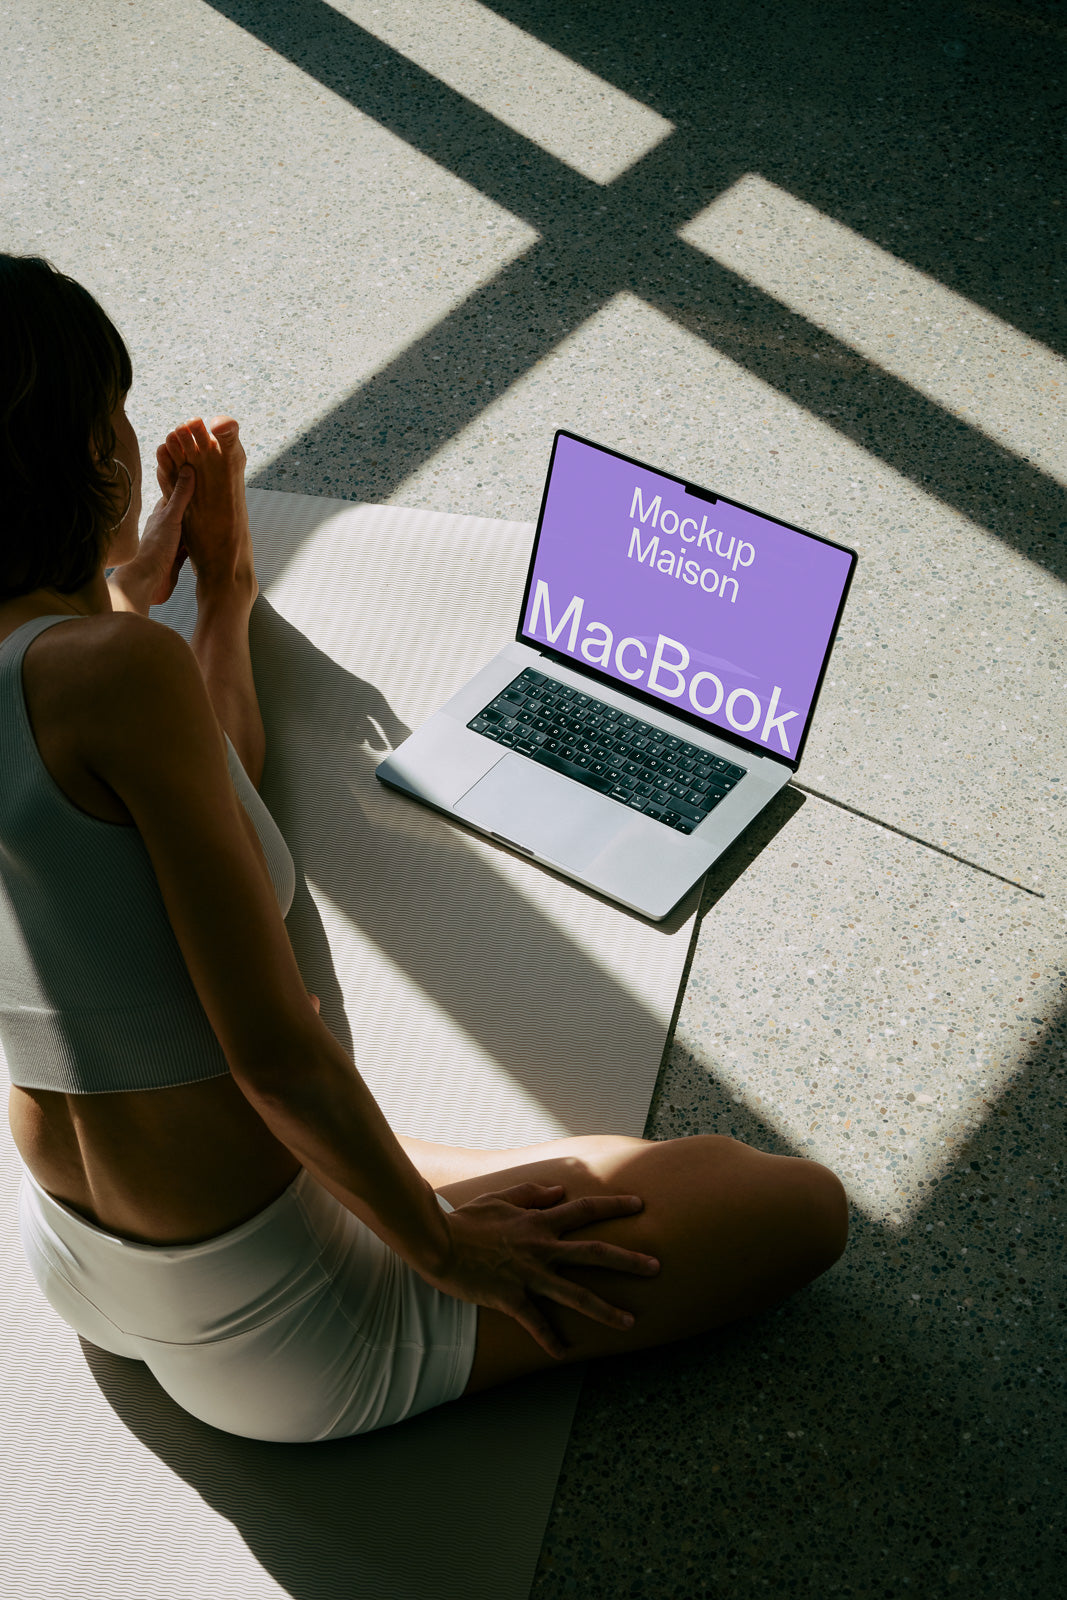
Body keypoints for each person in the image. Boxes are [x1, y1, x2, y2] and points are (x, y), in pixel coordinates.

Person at [0, 254, 848, 1444]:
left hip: (80, 1257)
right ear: (90, 456)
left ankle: (404, 1180)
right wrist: (447, 1250)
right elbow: (275, 1062)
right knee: (795, 1204)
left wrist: (214, 595)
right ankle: (422, 1208)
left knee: (573, 1167)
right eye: (117, 419)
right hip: (282, 1323)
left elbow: (188, 806)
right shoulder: (119, 673)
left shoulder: (93, 677)